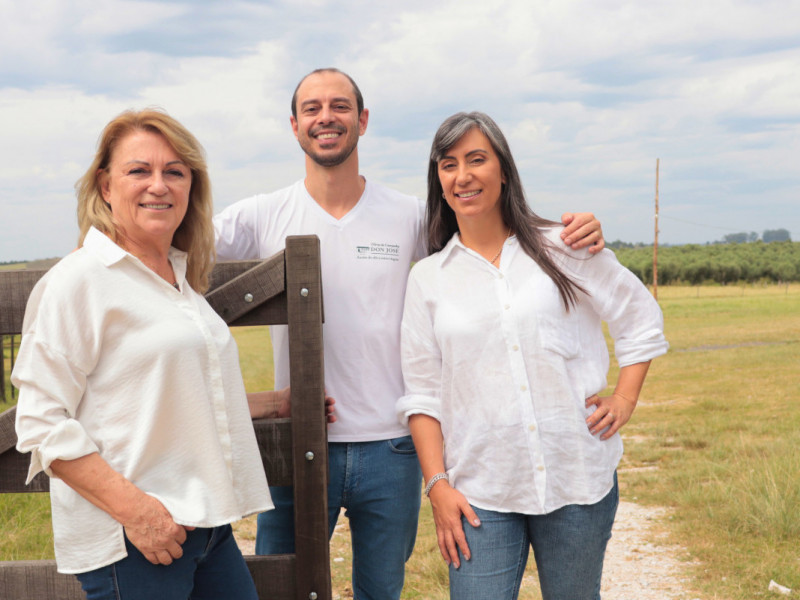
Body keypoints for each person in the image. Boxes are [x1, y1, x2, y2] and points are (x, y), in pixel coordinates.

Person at [213, 68, 606, 600]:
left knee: (382, 590)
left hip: (392, 451)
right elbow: (179, 247)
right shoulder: (261, 215)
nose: (326, 117)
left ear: (363, 119)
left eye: (340, 106)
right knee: (281, 588)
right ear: (294, 124)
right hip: (304, 439)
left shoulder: (412, 217)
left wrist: (569, 232)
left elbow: (491, 249)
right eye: (312, 108)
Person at [397, 112, 669, 600]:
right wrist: (437, 485)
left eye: (477, 159)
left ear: (504, 170)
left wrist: (625, 399)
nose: (463, 175)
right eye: (449, 164)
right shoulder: (429, 278)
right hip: (480, 490)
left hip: (575, 478)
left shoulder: (563, 246)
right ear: (438, 180)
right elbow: (422, 394)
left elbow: (639, 316)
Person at [12, 109, 274, 600]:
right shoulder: (80, 281)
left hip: (208, 528)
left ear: (192, 187)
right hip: (137, 540)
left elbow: (172, 393)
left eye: (175, 171)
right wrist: (139, 514)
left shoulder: (178, 282)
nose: (159, 184)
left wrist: (272, 403)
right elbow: (41, 421)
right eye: (139, 170)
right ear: (105, 186)